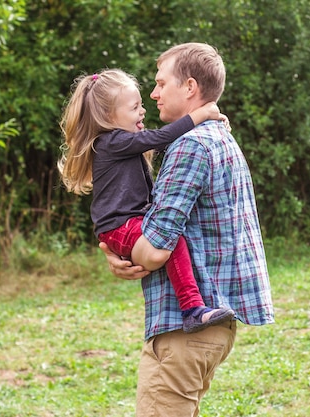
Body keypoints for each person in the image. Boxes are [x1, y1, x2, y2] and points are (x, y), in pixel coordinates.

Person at [100, 43, 275, 416]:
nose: (154, 93)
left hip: (185, 331)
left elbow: (156, 249)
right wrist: (126, 254)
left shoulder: (191, 146)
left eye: (161, 83)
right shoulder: (218, 139)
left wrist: (123, 254)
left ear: (190, 87)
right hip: (205, 327)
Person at [58, 68, 235, 334]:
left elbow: (162, 142)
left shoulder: (121, 143)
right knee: (169, 240)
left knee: (167, 240)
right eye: (135, 107)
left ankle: (192, 309)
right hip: (120, 226)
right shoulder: (110, 142)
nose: (143, 111)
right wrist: (201, 114)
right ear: (109, 116)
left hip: (125, 225)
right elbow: (162, 137)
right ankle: (192, 310)